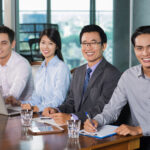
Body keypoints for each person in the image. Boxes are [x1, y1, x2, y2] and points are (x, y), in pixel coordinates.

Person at [84, 26, 150, 150]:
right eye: (139, 48)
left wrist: (140, 129)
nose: (145, 53)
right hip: (136, 141)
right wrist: (96, 121)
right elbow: (112, 110)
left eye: (149, 47)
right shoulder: (128, 76)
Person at [42, 24, 121, 125]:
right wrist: (57, 110)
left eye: (93, 43)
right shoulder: (78, 72)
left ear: (104, 46)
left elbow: (102, 108)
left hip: (98, 129)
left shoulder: (112, 74)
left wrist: (72, 117)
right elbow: (71, 102)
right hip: (76, 128)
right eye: (84, 43)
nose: (88, 47)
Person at [20, 28, 71, 112]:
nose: (45, 47)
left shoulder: (61, 68)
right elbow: (37, 97)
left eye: (50, 43)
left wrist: (38, 108)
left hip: (55, 116)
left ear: (56, 46)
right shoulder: (41, 69)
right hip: (40, 116)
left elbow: (59, 100)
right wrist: (25, 104)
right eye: (43, 43)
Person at [0, 25, 33, 104]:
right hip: (4, 109)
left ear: (13, 44)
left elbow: (12, 97)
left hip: (24, 111)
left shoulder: (22, 64)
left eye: (4, 43)